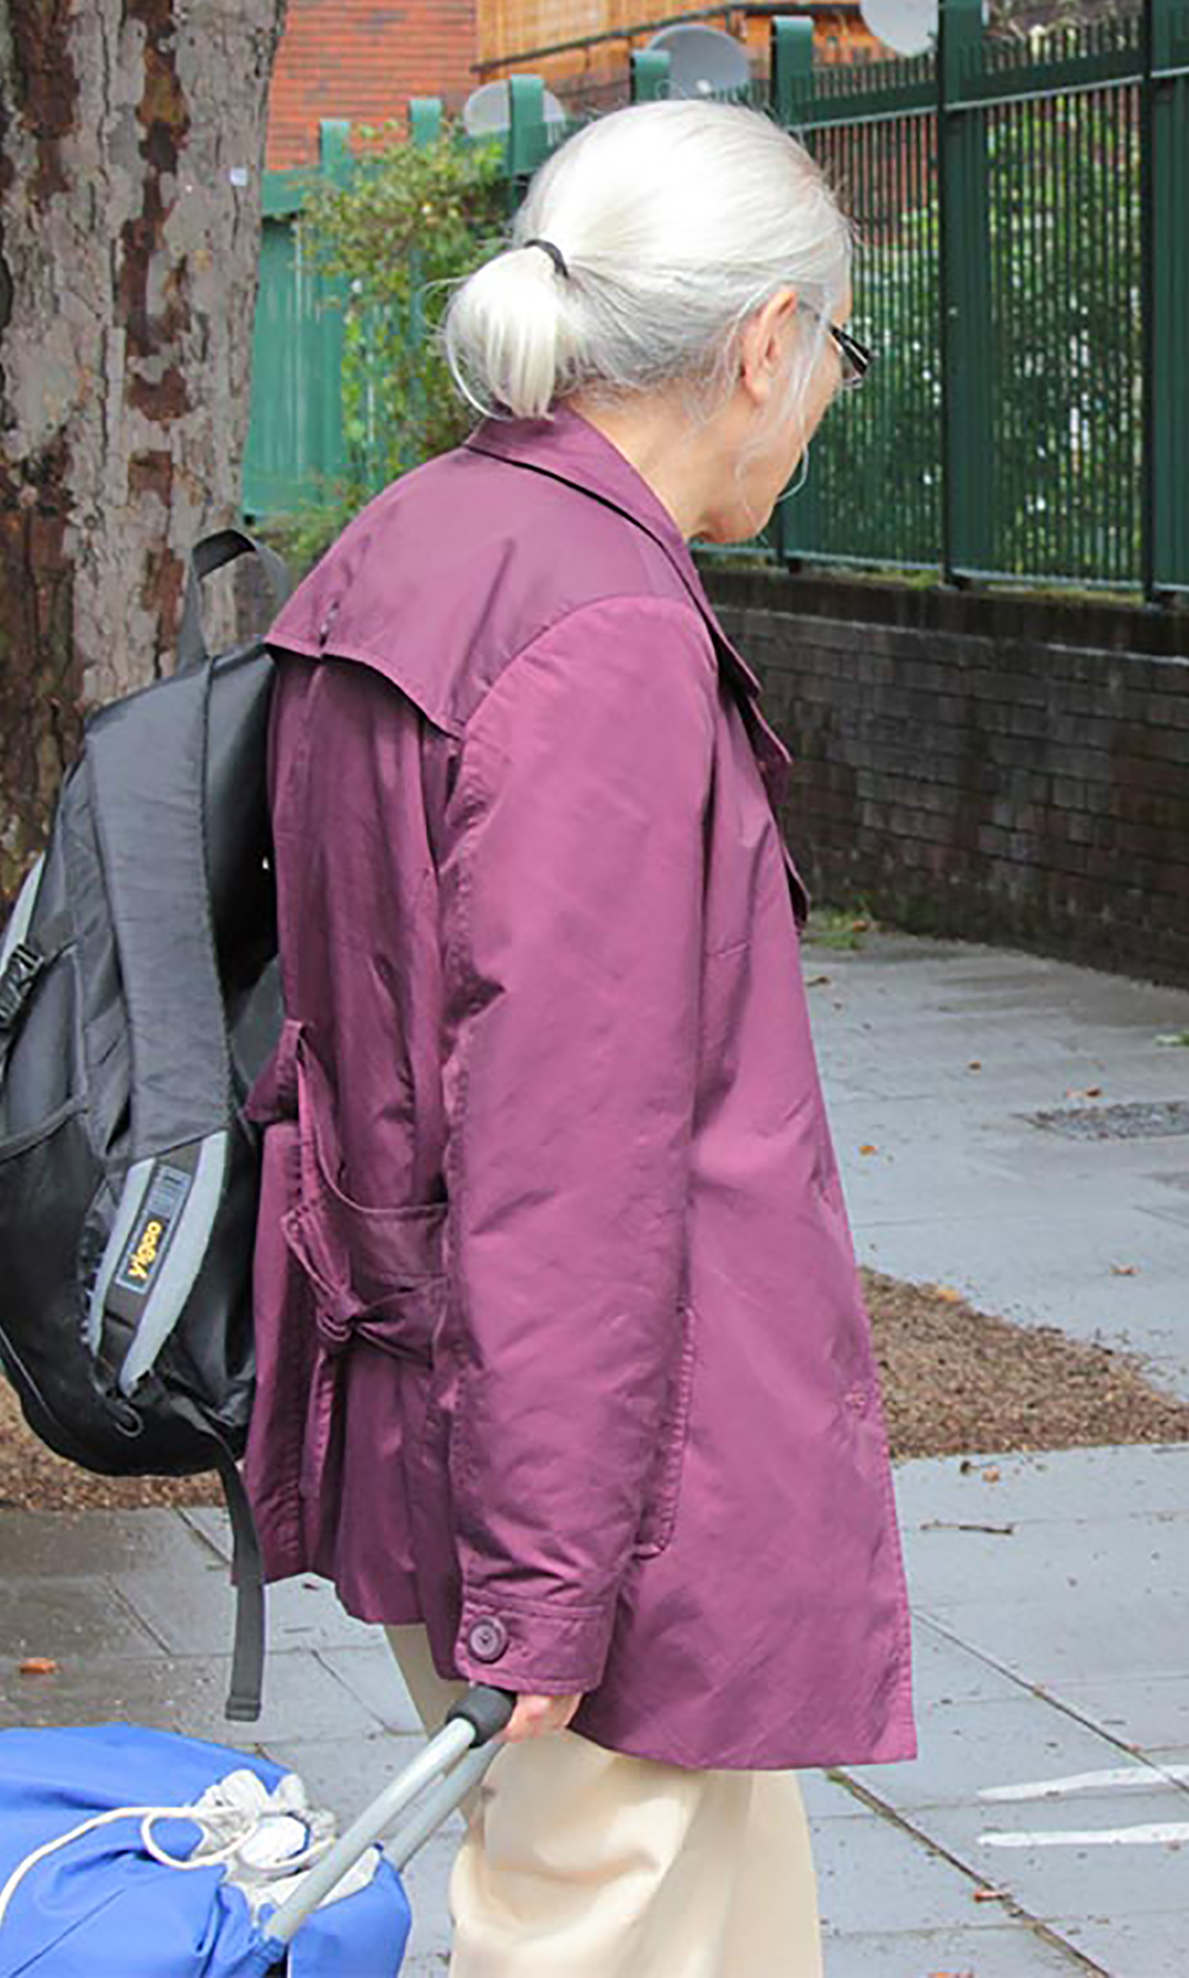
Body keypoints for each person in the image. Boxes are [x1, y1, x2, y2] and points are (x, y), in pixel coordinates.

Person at [245, 103, 914, 1977]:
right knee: (593, 1925)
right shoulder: (599, 621)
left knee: (712, 1916)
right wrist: (550, 1585)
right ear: (767, 340)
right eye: (834, 356)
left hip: (465, 1416)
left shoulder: (420, 544)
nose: (822, 400)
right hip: (615, 1479)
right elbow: (569, 1149)